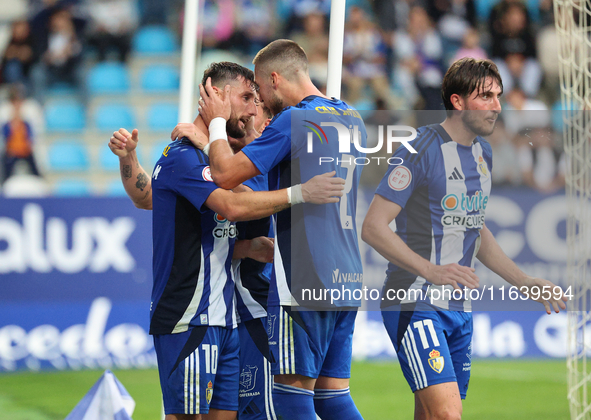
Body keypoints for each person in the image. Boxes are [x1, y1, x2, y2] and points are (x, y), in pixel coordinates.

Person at [108, 62, 344, 420]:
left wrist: (246, 247)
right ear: (215, 96)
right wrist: (130, 159)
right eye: (247, 98)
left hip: (228, 316)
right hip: (193, 314)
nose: (254, 109)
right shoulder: (185, 157)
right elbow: (215, 203)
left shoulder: (227, 159)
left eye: (257, 100)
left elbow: (220, 197)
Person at [361, 57, 568, 420]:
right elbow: (374, 226)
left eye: (498, 96)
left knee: (429, 415)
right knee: (448, 415)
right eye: (486, 96)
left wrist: (524, 281)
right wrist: (431, 270)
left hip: (459, 307)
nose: (497, 107)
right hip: (414, 301)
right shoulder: (419, 149)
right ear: (457, 102)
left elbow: (476, 228)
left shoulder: (482, 153)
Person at [184, 39, 366, 420]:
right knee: (333, 399)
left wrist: (212, 129)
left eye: (261, 93)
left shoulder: (295, 119)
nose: (261, 104)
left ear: (275, 78)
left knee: (290, 399)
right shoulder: (351, 117)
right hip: (347, 274)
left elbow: (224, 174)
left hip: (303, 276)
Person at [2, 84, 42, 182]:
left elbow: (31, 135)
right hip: (11, 152)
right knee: (6, 172)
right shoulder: (6, 120)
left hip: (25, 150)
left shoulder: (26, 121)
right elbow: (5, 135)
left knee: (36, 173)